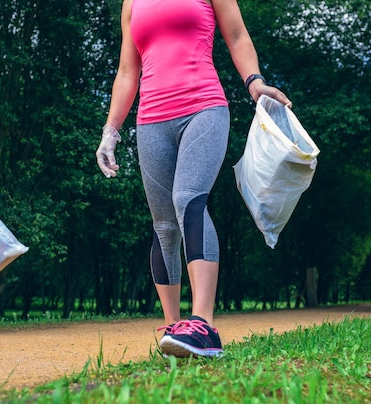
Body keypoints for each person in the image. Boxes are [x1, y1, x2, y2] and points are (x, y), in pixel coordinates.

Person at [96, 0, 292, 357]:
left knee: (188, 199)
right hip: (151, 121)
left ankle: (203, 325)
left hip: (203, 107)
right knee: (164, 226)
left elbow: (237, 36)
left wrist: (255, 83)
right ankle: (174, 330)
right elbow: (128, 71)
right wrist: (110, 131)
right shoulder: (131, 3)